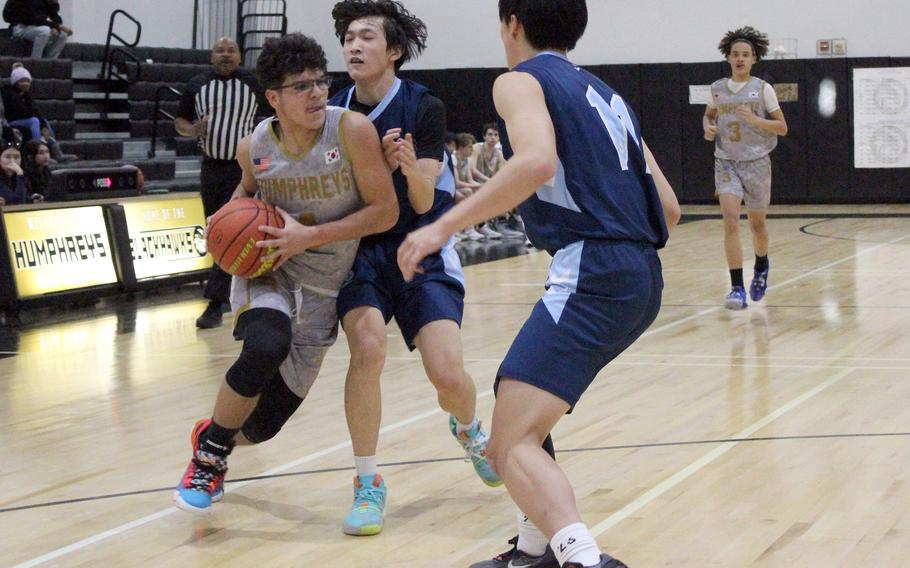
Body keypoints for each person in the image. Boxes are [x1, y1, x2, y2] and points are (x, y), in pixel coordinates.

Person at [397, 1, 681, 567]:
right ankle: (532, 549)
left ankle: (582, 557)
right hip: (641, 272)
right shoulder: (608, 94)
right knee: (515, 396)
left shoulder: (519, 82)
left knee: (508, 445)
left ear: (512, 25)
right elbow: (668, 208)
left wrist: (442, 227)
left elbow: (536, 163)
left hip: (592, 268)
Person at [173, 32, 398, 514]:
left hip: (324, 285)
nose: (317, 93)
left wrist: (308, 237)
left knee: (262, 427)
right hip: (270, 270)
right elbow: (244, 196)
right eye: (301, 86)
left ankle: (215, 430)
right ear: (273, 97)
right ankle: (210, 459)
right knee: (265, 345)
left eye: (320, 81)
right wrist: (224, 222)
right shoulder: (253, 146)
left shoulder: (352, 131)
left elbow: (385, 211)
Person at [329, 0, 500, 537]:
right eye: (349, 37)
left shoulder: (424, 106)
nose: (354, 46)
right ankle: (367, 482)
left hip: (421, 244)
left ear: (395, 50)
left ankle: (469, 428)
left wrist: (401, 165)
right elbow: (337, 197)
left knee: (448, 376)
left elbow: (425, 202)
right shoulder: (335, 114)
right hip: (362, 252)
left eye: (367, 37)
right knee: (367, 350)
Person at [175, 37, 270, 329]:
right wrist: (193, 129)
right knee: (216, 231)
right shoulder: (196, 85)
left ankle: (217, 303)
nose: (226, 55)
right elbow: (180, 121)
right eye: (220, 51)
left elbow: (272, 116)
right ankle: (229, 300)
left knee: (237, 234)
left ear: (240, 56)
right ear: (211, 56)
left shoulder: (254, 84)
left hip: (242, 169)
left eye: (231, 51)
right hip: (211, 167)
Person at [703, 26, 787, 310]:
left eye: (745, 55)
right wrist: (708, 127)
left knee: (757, 224)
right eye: (735, 54)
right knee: (729, 218)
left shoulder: (763, 90)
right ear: (728, 57)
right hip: (726, 160)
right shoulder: (716, 89)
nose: (740, 59)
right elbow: (709, 115)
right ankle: (736, 287)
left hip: (757, 162)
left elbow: (782, 128)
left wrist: (754, 120)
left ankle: (762, 264)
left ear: (754, 59)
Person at [1, 65, 75, 162]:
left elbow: (36, 112)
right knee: (34, 121)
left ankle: (56, 152)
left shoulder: (26, 95)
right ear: (15, 82)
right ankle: (37, 152)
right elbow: (23, 112)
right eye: (22, 81)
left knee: (44, 121)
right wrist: (32, 112)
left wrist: (43, 127)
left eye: (28, 81)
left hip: (26, 120)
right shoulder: (9, 93)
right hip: (12, 122)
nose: (26, 84)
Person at [2, 0, 72, 60]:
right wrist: (55, 26)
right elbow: (31, 19)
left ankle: (49, 61)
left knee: (63, 34)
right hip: (20, 26)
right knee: (44, 31)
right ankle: (36, 62)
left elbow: (54, 16)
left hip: (35, 26)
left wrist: (53, 3)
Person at [0, 136, 28, 207]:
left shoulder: (20, 176)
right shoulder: (20, 174)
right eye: (7, 157)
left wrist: (32, 198)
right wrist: (19, 174)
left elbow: (24, 198)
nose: (12, 161)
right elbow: (17, 202)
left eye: (16, 157)